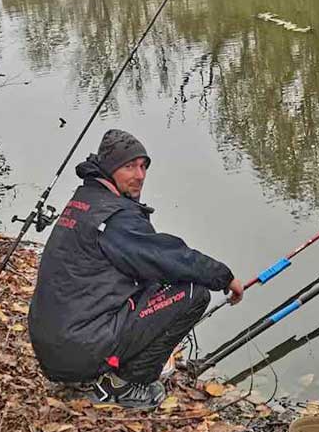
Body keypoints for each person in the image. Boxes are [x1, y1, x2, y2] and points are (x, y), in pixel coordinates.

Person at [28, 129, 243, 409]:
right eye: (129, 166)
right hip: (78, 348)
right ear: (109, 169)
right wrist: (224, 277)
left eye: (143, 166)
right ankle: (126, 386)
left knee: (154, 284)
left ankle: (94, 371)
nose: (140, 175)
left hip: (54, 349)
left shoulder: (86, 200)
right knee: (193, 290)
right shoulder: (115, 218)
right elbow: (170, 257)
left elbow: (145, 265)